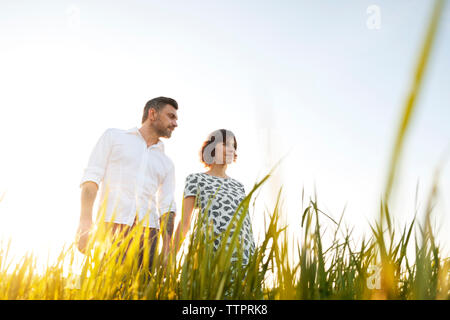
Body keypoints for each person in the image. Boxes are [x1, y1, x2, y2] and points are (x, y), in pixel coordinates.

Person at [76, 96, 178, 268]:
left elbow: (167, 206)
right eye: (171, 116)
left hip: (148, 236)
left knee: (140, 294)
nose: (175, 123)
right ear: (152, 114)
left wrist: (168, 250)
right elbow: (91, 179)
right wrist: (85, 221)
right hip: (109, 228)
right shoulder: (113, 137)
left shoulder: (167, 163)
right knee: (101, 291)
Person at [173, 129, 255, 265]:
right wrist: (169, 257)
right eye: (225, 144)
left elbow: (246, 225)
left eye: (233, 146)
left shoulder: (239, 186)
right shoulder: (196, 179)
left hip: (243, 256)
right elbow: (185, 221)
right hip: (210, 253)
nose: (230, 149)